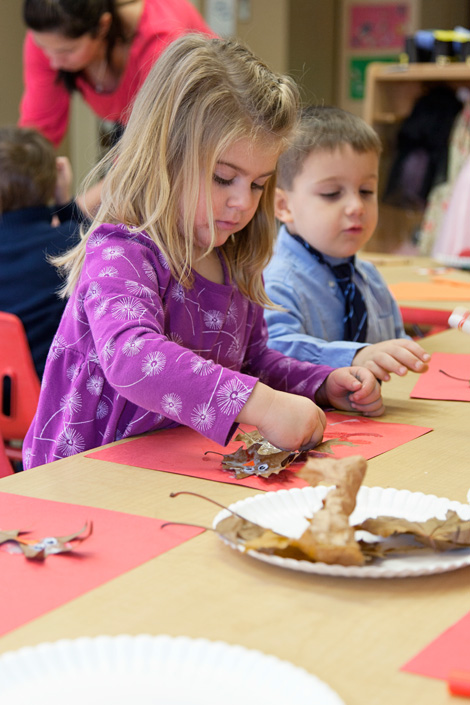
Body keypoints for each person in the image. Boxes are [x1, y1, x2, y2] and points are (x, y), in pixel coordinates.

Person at [23, 35, 384, 470]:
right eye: (222, 178)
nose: (243, 202)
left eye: (256, 184)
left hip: (173, 471)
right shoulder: (121, 250)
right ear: (164, 158)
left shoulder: (234, 259)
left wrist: (320, 383)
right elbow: (132, 355)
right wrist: (265, 406)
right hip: (83, 478)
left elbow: (251, 364)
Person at [263, 106, 430, 383]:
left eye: (366, 191)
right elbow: (274, 352)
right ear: (283, 206)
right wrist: (355, 357)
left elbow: (392, 349)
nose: (356, 206)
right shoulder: (274, 281)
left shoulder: (370, 280)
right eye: (332, 194)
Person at [19, 0, 214, 214]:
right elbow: (37, 134)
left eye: (67, 51)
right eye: (44, 49)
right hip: (139, 125)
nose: (53, 62)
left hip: (198, 126)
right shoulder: (51, 39)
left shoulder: (160, 43)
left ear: (103, 26)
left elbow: (150, 155)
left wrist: (71, 213)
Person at [0, 126, 85, 379]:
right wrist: (64, 202)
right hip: (53, 402)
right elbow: (107, 251)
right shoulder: (69, 243)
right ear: (52, 182)